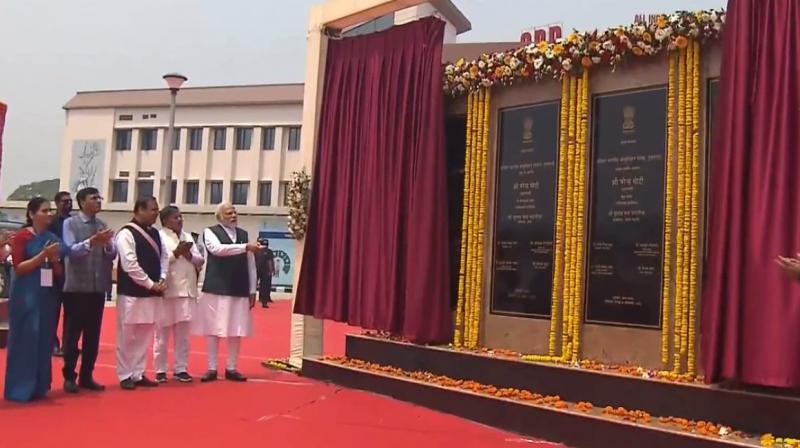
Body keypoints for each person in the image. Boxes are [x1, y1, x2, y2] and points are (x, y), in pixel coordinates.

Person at [4, 197, 67, 401]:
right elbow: (19, 268)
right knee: (26, 338)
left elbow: (57, 271)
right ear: (32, 214)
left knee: (43, 339)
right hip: (25, 294)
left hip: (46, 295)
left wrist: (55, 261)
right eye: (44, 210)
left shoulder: (52, 237)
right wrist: (42, 255)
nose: (49, 214)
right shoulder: (22, 237)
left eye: (50, 210)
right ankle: (20, 388)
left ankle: (39, 386)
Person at [195, 203, 263, 382]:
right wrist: (245, 247)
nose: (233, 215)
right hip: (216, 285)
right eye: (229, 213)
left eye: (235, 212)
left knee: (236, 328)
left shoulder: (243, 235)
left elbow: (250, 263)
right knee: (213, 328)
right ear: (220, 216)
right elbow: (218, 250)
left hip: (238, 285)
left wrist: (252, 289)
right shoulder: (210, 232)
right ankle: (211, 367)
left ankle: (231, 367)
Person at [62, 187, 115, 393]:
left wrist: (108, 245)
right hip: (76, 288)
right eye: (94, 198)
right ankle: (69, 376)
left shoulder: (102, 225)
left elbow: (110, 255)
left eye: (99, 197)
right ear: (82, 202)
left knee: (92, 335)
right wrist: (91, 242)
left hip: (97, 287)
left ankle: (87, 375)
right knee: (72, 335)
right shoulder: (70, 224)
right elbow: (69, 250)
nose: (99, 201)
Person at [115, 197, 168, 390]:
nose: (156, 213)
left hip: (151, 293)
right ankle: (125, 374)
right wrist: (149, 283)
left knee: (145, 333)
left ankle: (138, 372)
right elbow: (130, 265)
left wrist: (162, 278)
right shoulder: (126, 234)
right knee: (127, 335)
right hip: (131, 292)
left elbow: (164, 257)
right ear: (140, 210)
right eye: (153, 209)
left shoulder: (155, 233)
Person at [154, 206, 204, 383]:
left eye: (181, 217)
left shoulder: (188, 236)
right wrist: (176, 253)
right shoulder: (159, 236)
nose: (180, 220)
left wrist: (189, 254)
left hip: (187, 290)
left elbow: (200, 260)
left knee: (183, 335)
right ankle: (160, 369)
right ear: (166, 220)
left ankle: (180, 368)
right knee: (162, 333)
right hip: (168, 290)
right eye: (176, 217)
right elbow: (160, 260)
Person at [49, 191, 72, 357]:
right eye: (65, 202)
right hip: (55, 270)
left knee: (71, 311)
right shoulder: (52, 222)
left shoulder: (73, 222)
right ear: (57, 203)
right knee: (54, 309)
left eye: (70, 201)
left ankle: (68, 343)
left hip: (72, 271)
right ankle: (52, 343)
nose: (68, 204)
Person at [256, 238, 276, 308]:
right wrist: (272, 270)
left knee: (253, 286)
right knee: (265, 286)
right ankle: (264, 302)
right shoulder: (269, 251)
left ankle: (250, 301)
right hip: (265, 271)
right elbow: (270, 262)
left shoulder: (256, 250)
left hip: (256, 270)